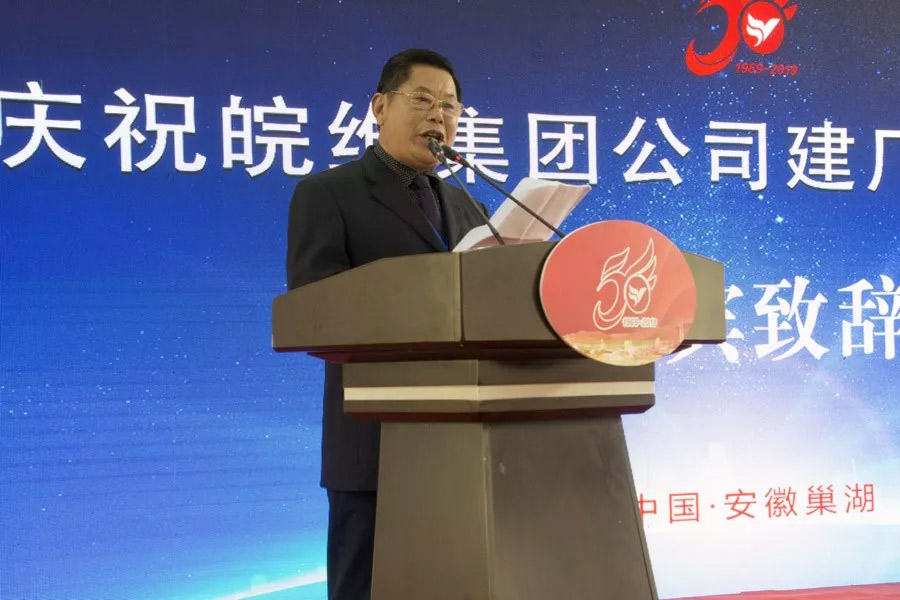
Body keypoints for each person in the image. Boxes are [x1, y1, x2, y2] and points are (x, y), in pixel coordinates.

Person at [285, 48, 489, 600]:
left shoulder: (470, 208)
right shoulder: (328, 194)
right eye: (422, 99)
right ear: (379, 106)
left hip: (462, 446)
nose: (438, 116)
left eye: (450, 106)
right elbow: (313, 309)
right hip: (373, 445)